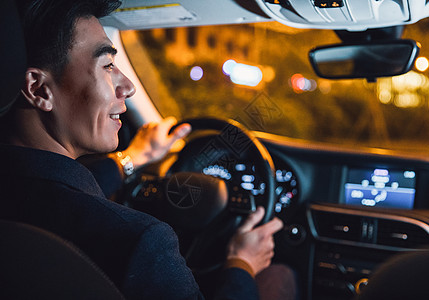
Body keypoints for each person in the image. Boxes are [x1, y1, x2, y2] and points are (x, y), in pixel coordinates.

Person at [0, 0, 296, 299]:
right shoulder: (140, 241)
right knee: (280, 276)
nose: (128, 86)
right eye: (108, 65)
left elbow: (57, 193)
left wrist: (133, 158)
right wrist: (241, 264)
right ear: (39, 89)